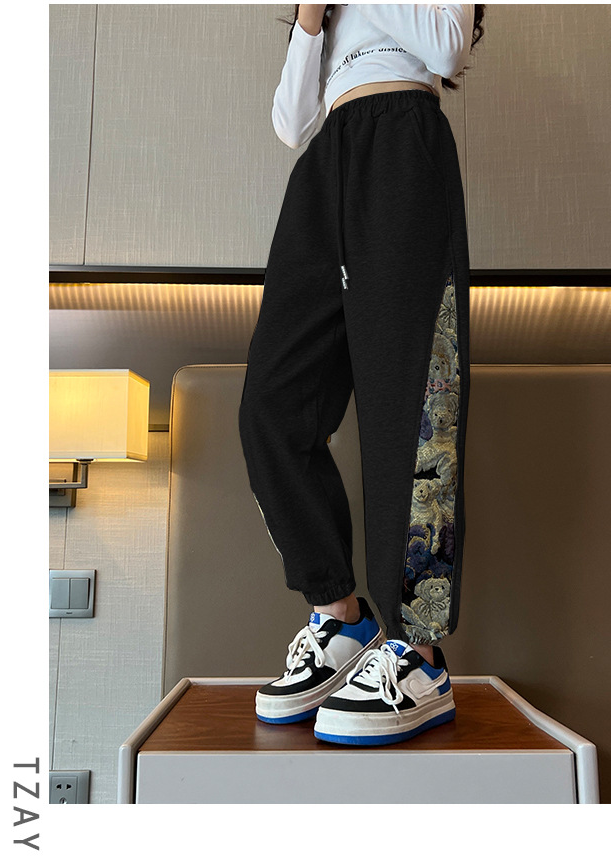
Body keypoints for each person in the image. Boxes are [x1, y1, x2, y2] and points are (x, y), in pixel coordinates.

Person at [239, 3, 484, 746]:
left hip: (405, 146)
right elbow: (291, 122)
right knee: (272, 406)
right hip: (326, 164)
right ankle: (340, 617)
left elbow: (449, 45)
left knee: (409, 407)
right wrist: (311, 20)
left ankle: (421, 656)